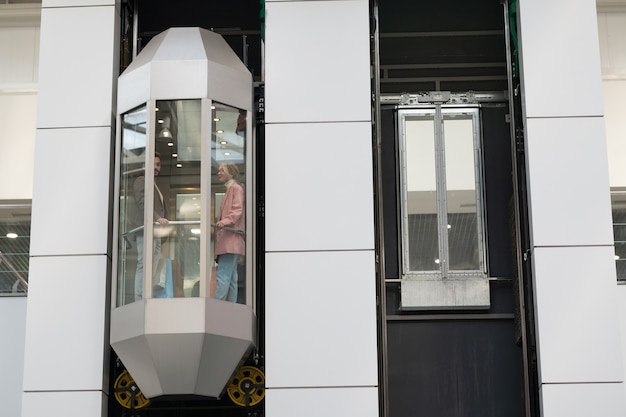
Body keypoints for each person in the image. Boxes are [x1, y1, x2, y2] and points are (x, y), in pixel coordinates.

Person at [133, 152, 169, 300]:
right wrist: (157, 218)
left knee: (152, 267)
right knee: (144, 265)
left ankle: (146, 296)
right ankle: (140, 299)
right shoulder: (141, 180)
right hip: (146, 231)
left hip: (155, 232)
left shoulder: (153, 184)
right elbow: (143, 202)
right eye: (152, 164)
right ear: (143, 165)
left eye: (158, 164)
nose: (156, 167)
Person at [214, 163, 245, 302]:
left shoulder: (235, 189)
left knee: (223, 276)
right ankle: (230, 307)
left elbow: (237, 210)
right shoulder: (231, 189)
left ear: (231, 174)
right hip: (230, 240)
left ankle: (217, 307)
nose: (219, 173)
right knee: (231, 277)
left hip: (230, 240)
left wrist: (224, 221)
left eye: (222, 170)